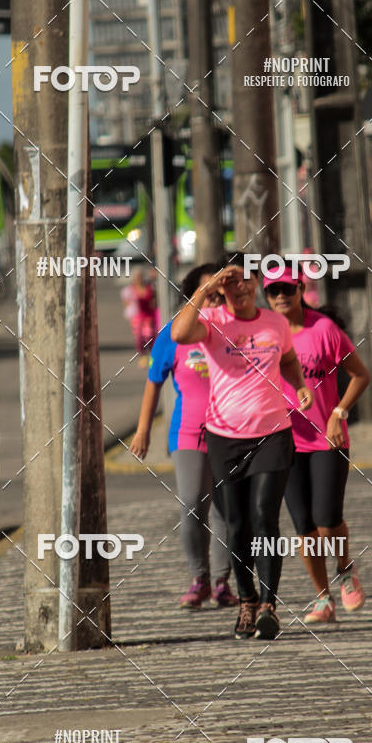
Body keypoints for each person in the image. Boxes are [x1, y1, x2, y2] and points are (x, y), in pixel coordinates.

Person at [171, 255, 314, 640]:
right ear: (222, 288)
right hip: (224, 436)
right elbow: (179, 334)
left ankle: (269, 604)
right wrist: (205, 289)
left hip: (272, 432)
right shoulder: (214, 321)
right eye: (231, 282)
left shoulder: (276, 323)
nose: (240, 287)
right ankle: (246, 600)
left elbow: (287, 359)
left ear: (255, 283)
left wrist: (299, 385)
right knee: (238, 523)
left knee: (265, 515)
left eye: (246, 279)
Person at [263, 264, 371, 623]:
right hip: (284, 440)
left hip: (327, 438)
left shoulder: (324, 330)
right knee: (304, 527)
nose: (280, 296)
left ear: (300, 288)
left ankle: (345, 569)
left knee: (327, 520)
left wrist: (338, 413)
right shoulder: (265, 334)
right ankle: (323, 599)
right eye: (273, 291)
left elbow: (360, 375)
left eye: (287, 289)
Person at [130, 264, 237, 610]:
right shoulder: (172, 334)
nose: (213, 299)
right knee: (193, 503)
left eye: (218, 294)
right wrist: (144, 428)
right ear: (192, 295)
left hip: (232, 430)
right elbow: (153, 383)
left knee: (225, 509)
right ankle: (199, 577)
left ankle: (222, 582)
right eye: (206, 292)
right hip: (187, 431)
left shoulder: (231, 329)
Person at [121, 269, 157, 367]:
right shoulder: (130, 290)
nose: (138, 279)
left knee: (149, 335)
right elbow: (125, 302)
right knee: (139, 338)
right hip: (137, 317)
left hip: (149, 316)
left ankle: (152, 356)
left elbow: (154, 300)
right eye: (136, 277)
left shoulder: (149, 288)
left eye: (140, 277)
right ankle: (143, 356)